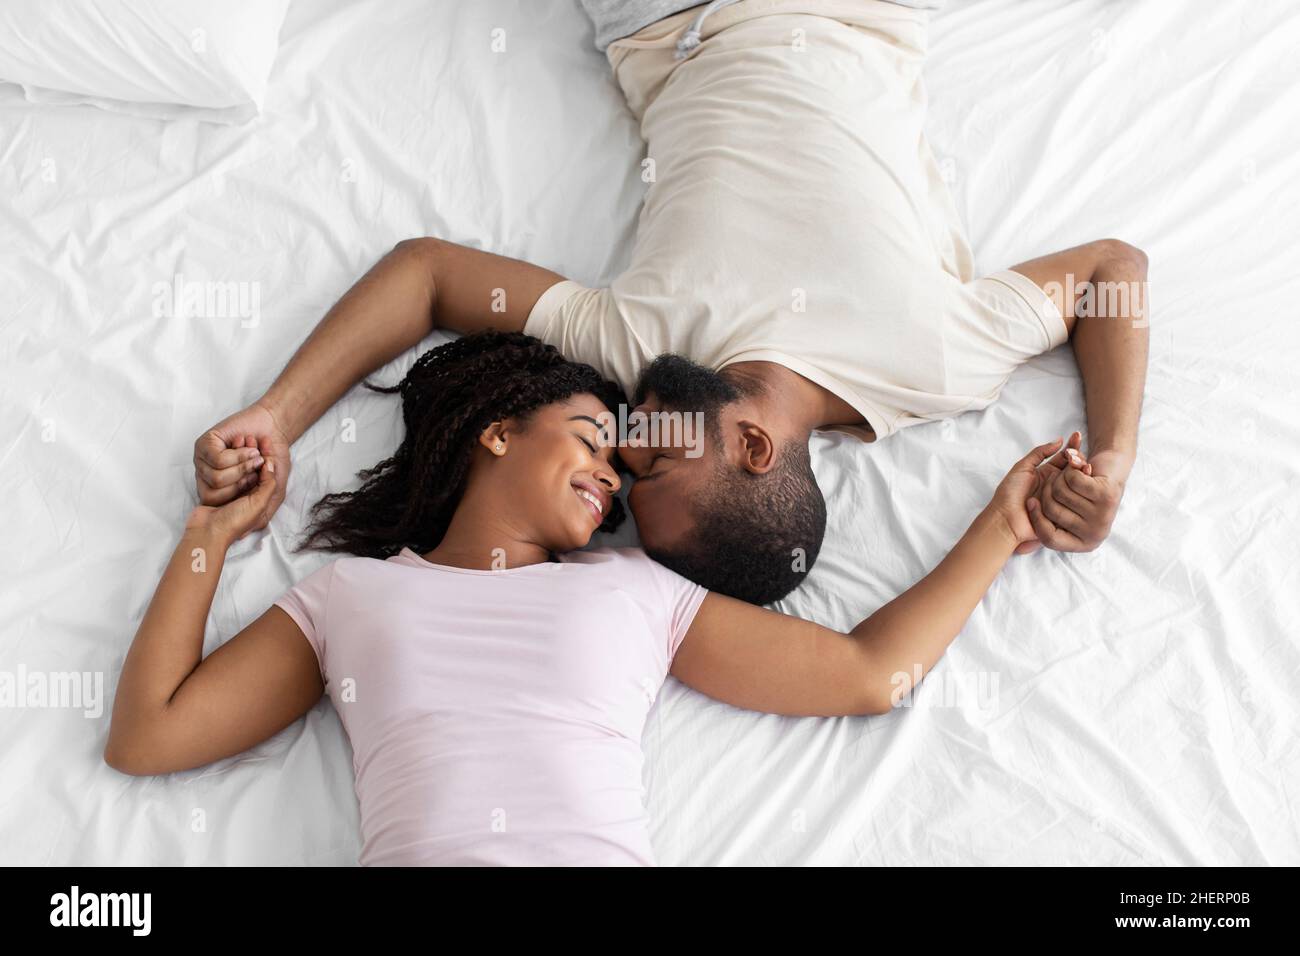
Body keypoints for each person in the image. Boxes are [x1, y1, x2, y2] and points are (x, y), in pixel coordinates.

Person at [193, 0, 1148, 605]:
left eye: (625, 482)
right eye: (654, 472)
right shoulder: (940, 361)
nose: (621, 449)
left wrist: (277, 416)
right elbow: (1113, 269)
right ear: (752, 448)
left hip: (669, 19)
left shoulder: (637, 346)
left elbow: (427, 273)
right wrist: (1111, 457)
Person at [109, 332, 1085, 865]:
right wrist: (211, 534)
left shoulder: (636, 590)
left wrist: (1001, 526)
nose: (610, 479)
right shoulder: (347, 596)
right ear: (498, 433)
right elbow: (148, 735)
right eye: (588, 437)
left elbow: (870, 673)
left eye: (621, 474)